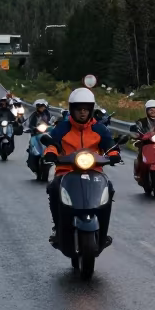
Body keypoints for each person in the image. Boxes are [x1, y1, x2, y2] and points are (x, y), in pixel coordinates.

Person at [42, 87, 121, 242]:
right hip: (66, 171)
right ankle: (58, 228)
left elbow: (110, 145)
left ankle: (103, 232)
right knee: (53, 188)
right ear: (72, 110)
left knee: (109, 188)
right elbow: (52, 143)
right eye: (79, 109)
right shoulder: (63, 127)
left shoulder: (99, 128)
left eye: (86, 109)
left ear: (91, 110)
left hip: (94, 171)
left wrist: (113, 154)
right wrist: (51, 152)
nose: (82, 112)